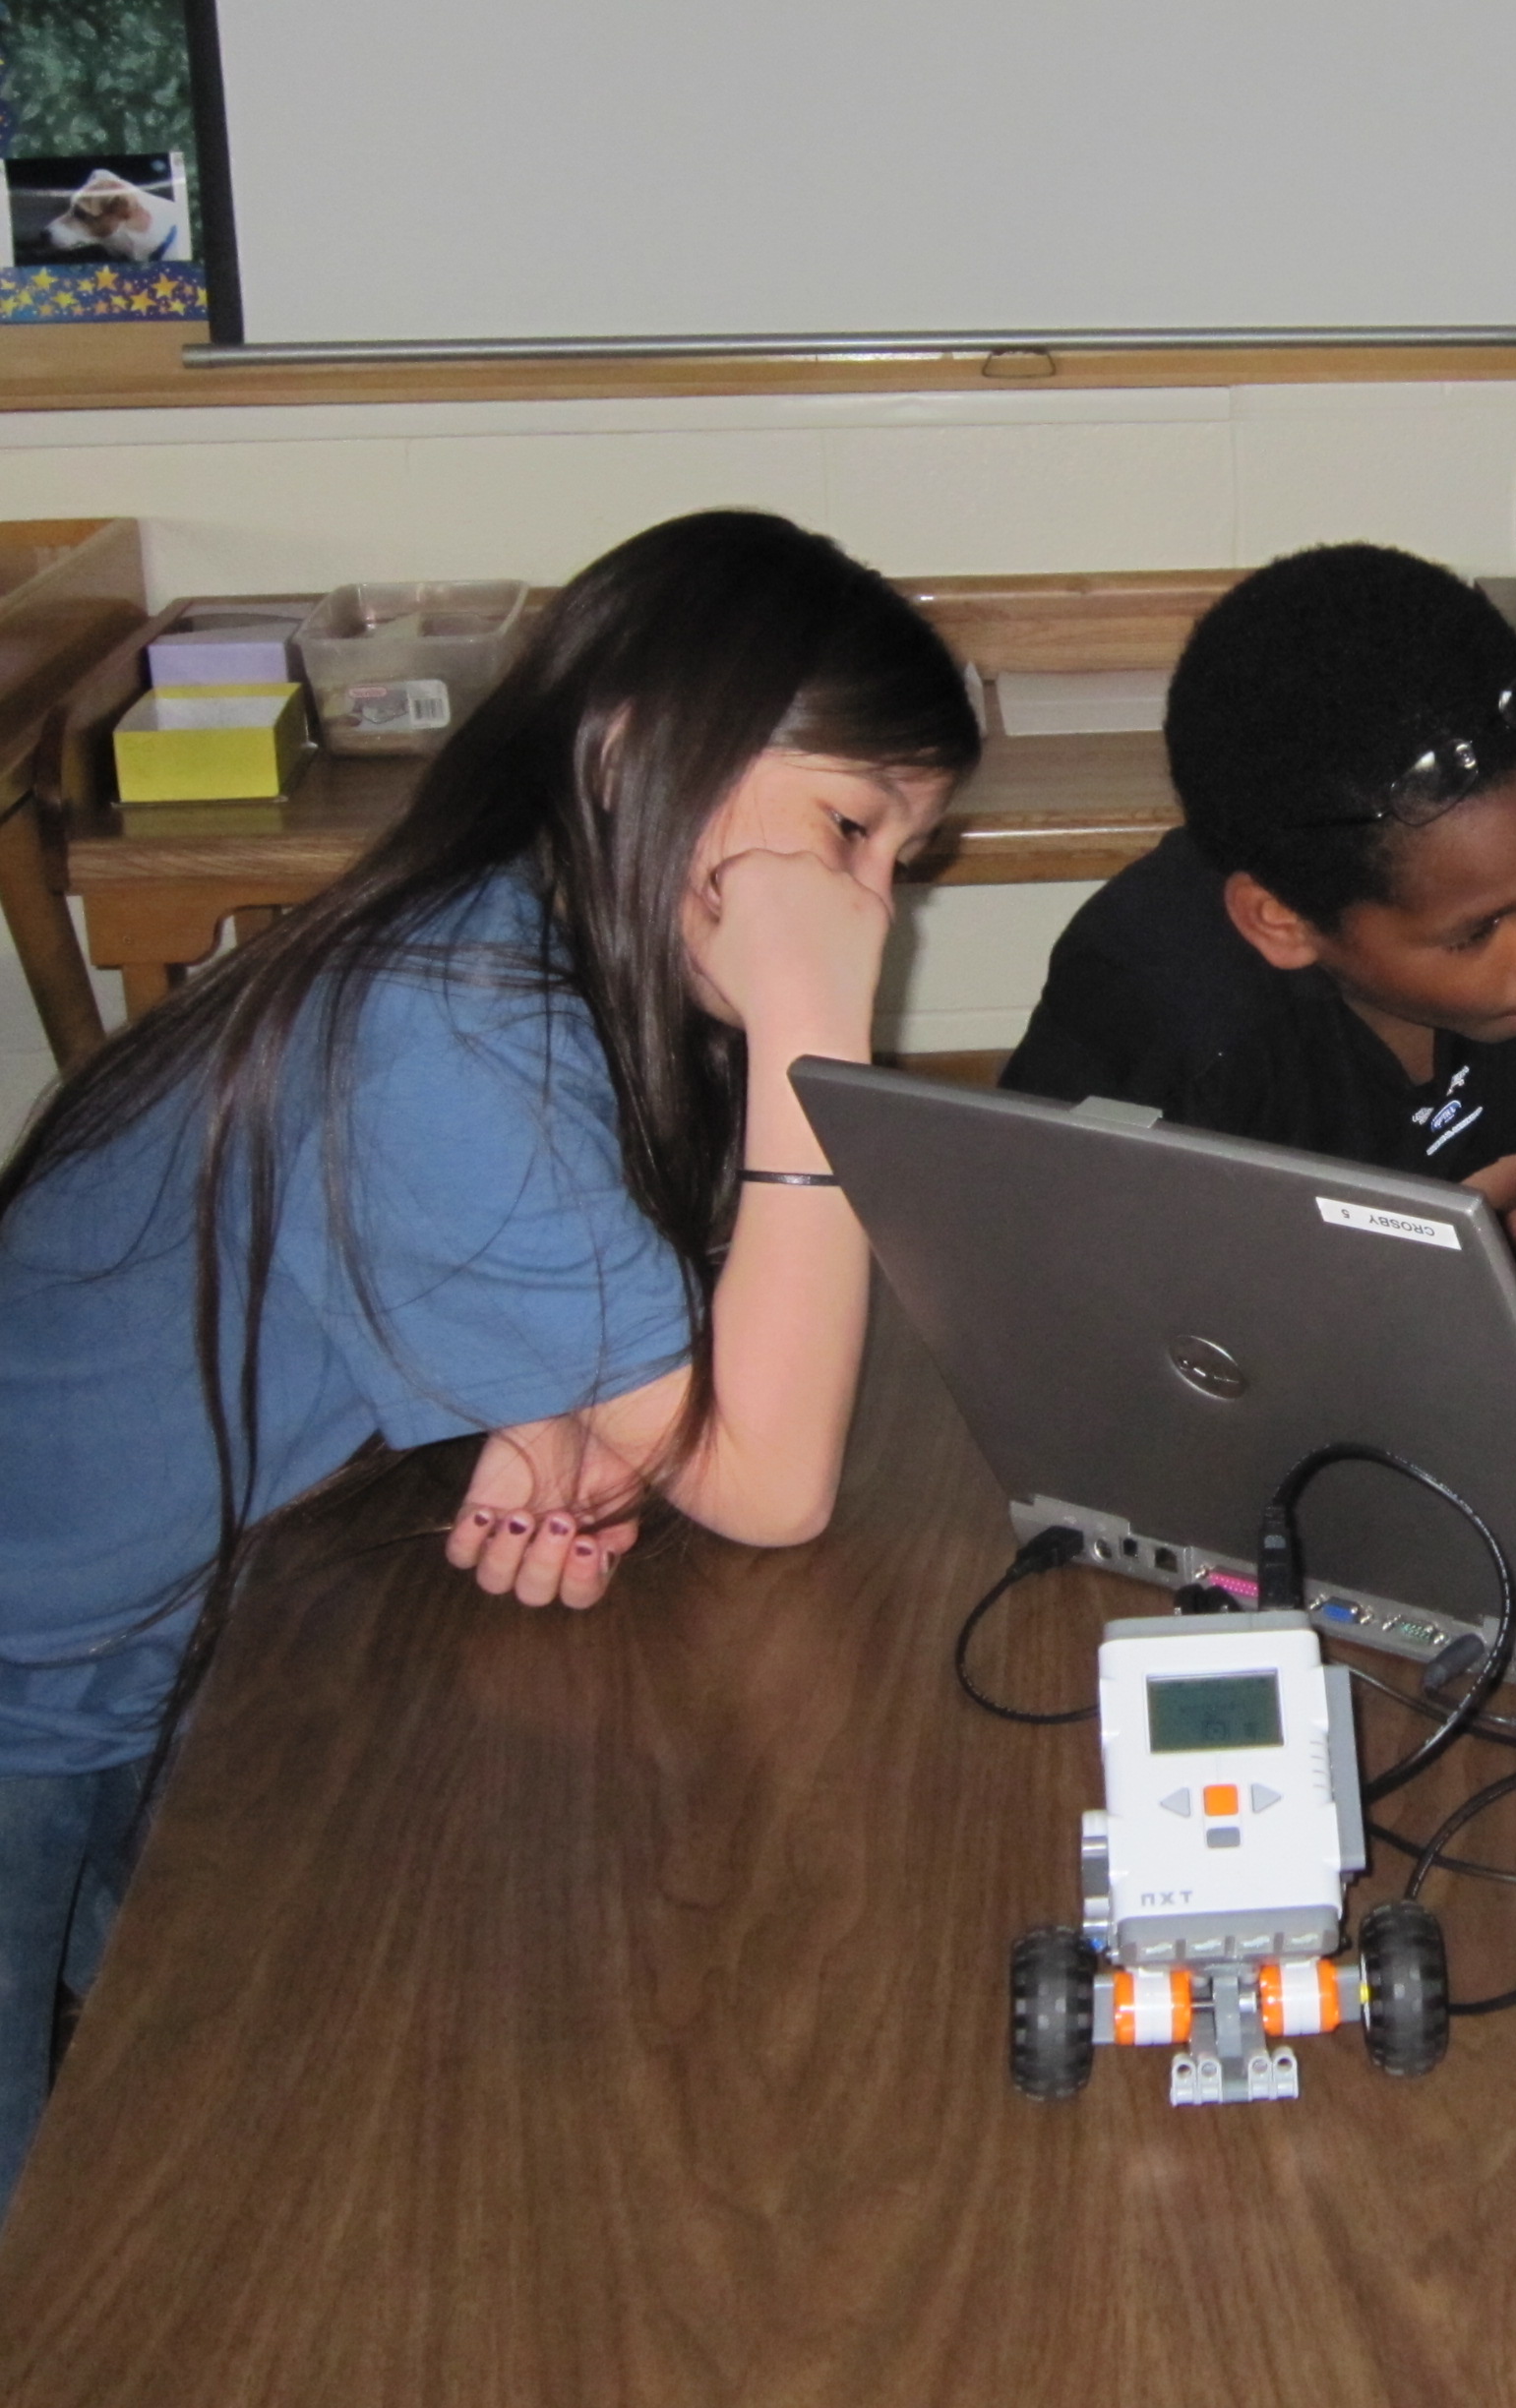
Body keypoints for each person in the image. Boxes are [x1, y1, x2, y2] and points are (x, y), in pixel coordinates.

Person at [0, 510, 981, 2216]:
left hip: (165, 1634)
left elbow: (637, 1304)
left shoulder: (528, 943)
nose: (869, 902)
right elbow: (769, 1483)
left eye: (902, 854)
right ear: (631, 751)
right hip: (38, 1670)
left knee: (192, 2104)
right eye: (850, 827)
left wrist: (540, 1391)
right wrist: (815, 1032)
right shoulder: (451, 1011)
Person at [1000, 544, 1516, 1278]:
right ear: (1282, 923)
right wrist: (1428, 1268)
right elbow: (1051, 1265)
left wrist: (1472, 1276)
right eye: (1478, 931)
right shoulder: (1151, 999)